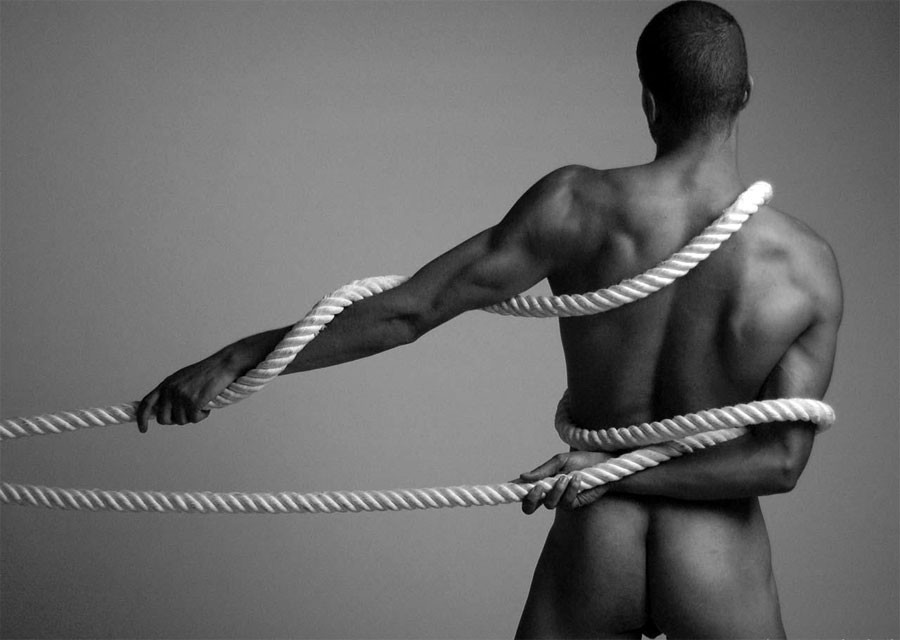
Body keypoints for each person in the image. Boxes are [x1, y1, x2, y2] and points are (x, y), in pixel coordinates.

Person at [136, 2, 842, 637]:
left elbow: (408, 311)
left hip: (595, 550)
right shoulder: (804, 267)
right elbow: (780, 463)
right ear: (746, 94)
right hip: (716, 562)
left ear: (649, 100)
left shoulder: (578, 207)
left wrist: (237, 359)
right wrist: (618, 472)